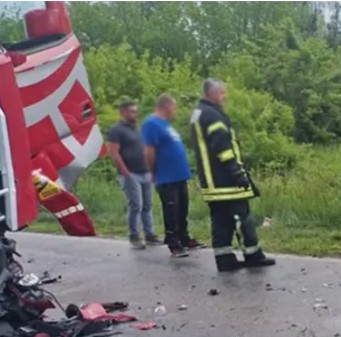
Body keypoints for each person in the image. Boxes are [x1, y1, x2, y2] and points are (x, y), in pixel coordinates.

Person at [189, 79, 275, 272]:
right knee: (241, 217)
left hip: (211, 182)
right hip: (225, 181)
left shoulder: (198, 113)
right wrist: (237, 173)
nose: (224, 97)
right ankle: (253, 255)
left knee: (221, 221)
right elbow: (223, 147)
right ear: (211, 93)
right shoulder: (213, 115)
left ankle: (224, 259)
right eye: (222, 93)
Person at [142, 93, 205, 258]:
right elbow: (149, 150)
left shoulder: (166, 125)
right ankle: (173, 242)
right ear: (166, 106)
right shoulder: (151, 124)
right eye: (174, 107)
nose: (175, 111)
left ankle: (184, 238)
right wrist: (152, 171)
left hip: (179, 175)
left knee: (182, 209)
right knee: (171, 209)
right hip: (166, 176)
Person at [106, 100, 162, 249]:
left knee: (147, 205)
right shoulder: (116, 130)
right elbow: (113, 152)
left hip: (145, 172)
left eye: (136, 111)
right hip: (130, 173)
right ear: (123, 112)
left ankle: (150, 234)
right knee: (136, 204)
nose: (135, 114)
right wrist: (124, 171)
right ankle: (134, 235)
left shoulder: (137, 130)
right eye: (132, 111)